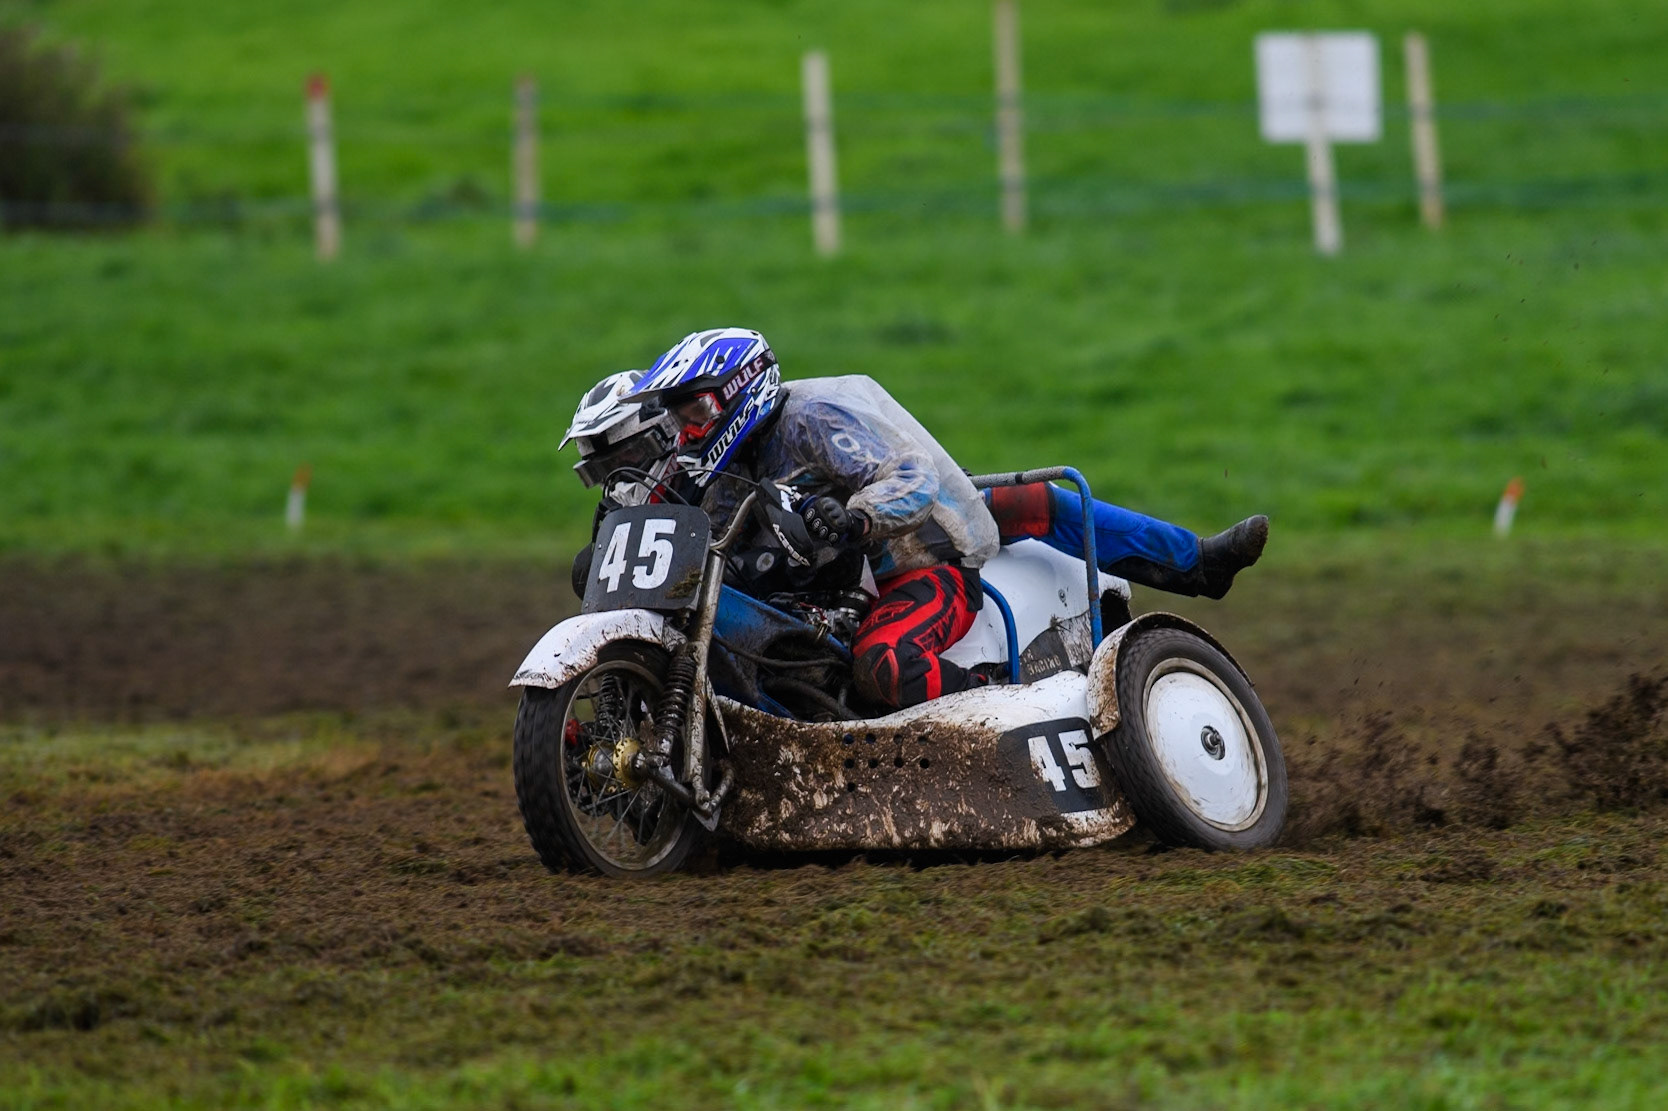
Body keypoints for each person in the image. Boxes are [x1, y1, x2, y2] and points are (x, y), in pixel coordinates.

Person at [610, 328, 1270, 711]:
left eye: (694, 413)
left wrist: (856, 516)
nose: (686, 430)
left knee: (1030, 503)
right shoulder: (717, 476)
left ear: (738, 392)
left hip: (906, 565)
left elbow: (912, 476)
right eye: (677, 419)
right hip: (817, 600)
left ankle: (1192, 567)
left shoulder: (806, 422)